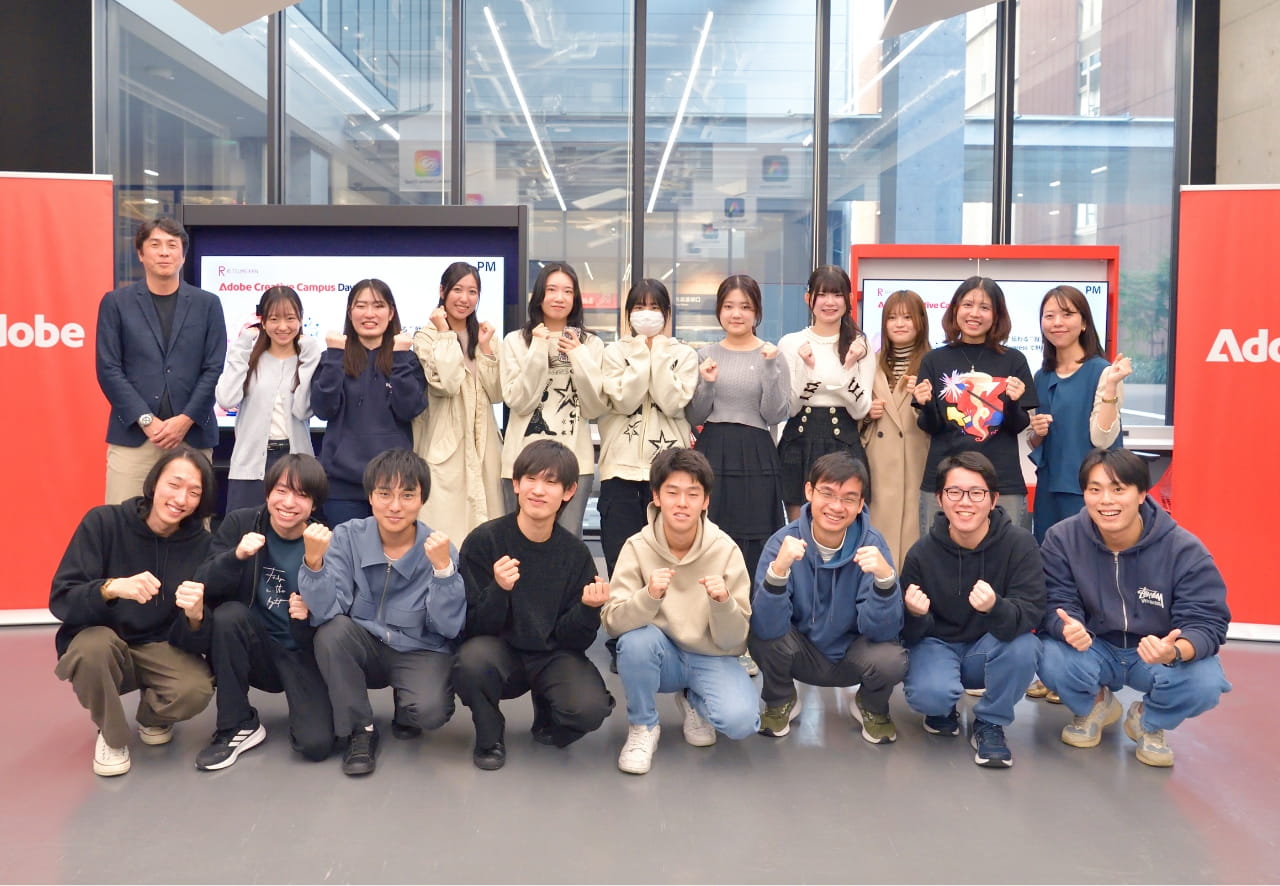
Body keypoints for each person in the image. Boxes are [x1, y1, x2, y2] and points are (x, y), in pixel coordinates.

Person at [1038, 448, 1232, 767]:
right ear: (1084, 494)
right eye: (1095, 489)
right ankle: (1096, 704)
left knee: (1206, 681)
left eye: (1118, 489)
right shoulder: (1062, 539)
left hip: (1155, 654)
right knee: (1046, 654)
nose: (1106, 500)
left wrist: (1176, 650)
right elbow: (1055, 600)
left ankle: (1147, 721)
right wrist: (1068, 627)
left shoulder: (1183, 549)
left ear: (1141, 494)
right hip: (1093, 647)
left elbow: (1207, 621)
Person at [49, 446, 217, 776]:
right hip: (102, 640)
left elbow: (199, 640)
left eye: (193, 492)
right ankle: (112, 736)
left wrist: (197, 615)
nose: (180, 499)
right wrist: (111, 587)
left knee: (194, 690)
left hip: (159, 645)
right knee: (91, 650)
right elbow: (62, 599)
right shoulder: (103, 522)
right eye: (174, 484)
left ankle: (152, 717)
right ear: (154, 483)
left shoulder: (203, 546)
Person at [298, 449, 465, 776]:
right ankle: (360, 730)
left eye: (408, 495)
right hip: (365, 644)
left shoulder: (439, 548)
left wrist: (443, 572)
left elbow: (448, 628)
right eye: (385, 494)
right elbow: (326, 611)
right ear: (370, 497)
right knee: (332, 634)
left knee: (430, 712)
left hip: (418, 649)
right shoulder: (347, 537)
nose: (395, 506)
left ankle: (406, 706)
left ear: (422, 499)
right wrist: (314, 564)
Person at [454, 440, 615, 770]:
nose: (538, 490)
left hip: (552, 654)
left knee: (590, 708)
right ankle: (489, 735)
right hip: (500, 652)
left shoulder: (575, 555)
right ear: (516, 484)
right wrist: (499, 590)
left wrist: (588, 609)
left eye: (551, 482)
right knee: (470, 661)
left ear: (569, 491)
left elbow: (576, 642)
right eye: (530, 479)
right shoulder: (485, 541)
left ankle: (547, 715)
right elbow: (470, 626)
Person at [602, 448, 758, 775]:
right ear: (656, 496)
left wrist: (723, 604)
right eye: (672, 492)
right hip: (662, 657)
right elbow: (613, 622)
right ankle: (643, 726)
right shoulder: (637, 547)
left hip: (711, 656)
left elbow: (736, 641)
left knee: (741, 722)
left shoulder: (725, 550)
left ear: (706, 501)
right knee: (634, 643)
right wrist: (649, 596)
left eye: (693, 494)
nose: (682, 503)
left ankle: (693, 699)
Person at [750, 452, 908, 742]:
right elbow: (766, 627)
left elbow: (884, 632)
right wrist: (779, 571)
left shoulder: (872, 546)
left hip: (853, 656)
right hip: (800, 653)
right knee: (760, 632)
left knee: (891, 658)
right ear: (809, 491)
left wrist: (885, 581)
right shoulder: (782, 543)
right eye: (827, 493)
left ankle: (871, 705)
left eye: (849, 498)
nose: (836, 506)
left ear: (860, 504)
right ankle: (780, 698)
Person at [900, 452, 1045, 768]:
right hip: (938, 645)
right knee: (931, 695)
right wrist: (914, 614)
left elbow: (1031, 612)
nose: (965, 502)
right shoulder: (921, 553)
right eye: (954, 492)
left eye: (976, 493)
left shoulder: (1020, 544)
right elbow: (905, 636)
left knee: (1026, 647)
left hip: (989, 649)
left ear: (993, 499)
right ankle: (941, 708)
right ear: (940, 498)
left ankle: (990, 722)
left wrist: (996, 607)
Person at [193, 454, 334, 770]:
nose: (288, 503)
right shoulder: (241, 523)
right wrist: (236, 556)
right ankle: (236, 724)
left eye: (301, 495)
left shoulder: (324, 540)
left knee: (316, 745)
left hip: (302, 653)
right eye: (281, 491)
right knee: (228, 615)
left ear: (314, 504)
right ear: (268, 492)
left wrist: (311, 611)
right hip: (257, 647)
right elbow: (203, 583)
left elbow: (340, 610)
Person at [598, 279, 698, 671]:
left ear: (667, 314)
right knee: (621, 556)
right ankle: (622, 637)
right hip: (620, 469)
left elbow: (673, 402)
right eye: (639, 307)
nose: (647, 314)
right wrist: (641, 353)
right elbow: (623, 400)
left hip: (668, 471)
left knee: (667, 556)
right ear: (628, 314)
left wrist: (657, 356)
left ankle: (667, 635)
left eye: (655, 307)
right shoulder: (614, 352)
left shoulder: (683, 354)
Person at [95, 217, 226, 504]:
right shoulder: (116, 303)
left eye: (172, 245)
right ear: (141, 253)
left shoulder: (207, 304)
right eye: (155, 245)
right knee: (123, 519)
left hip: (192, 436)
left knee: (191, 521)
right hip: (135, 436)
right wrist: (146, 419)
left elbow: (214, 368)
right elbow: (108, 368)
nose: (164, 252)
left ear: (183, 254)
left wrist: (185, 419)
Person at [686, 273, 791, 606]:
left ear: (756, 311)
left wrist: (770, 369)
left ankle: (751, 613)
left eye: (745, 307)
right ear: (719, 310)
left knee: (755, 536)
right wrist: (707, 384)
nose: (736, 314)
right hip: (713, 451)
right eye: (729, 306)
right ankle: (705, 610)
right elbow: (695, 415)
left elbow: (775, 414)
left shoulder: (772, 353)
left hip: (757, 453)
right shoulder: (705, 354)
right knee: (710, 533)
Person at [912, 276, 1037, 533]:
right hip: (944, 481)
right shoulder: (934, 360)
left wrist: (1013, 402)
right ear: (955, 309)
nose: (974, 313)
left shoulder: (1014, 360)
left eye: (984, 307)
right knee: (938, 552)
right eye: (968, 305)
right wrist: (926, 404)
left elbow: (1017, 426)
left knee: (1008, 553)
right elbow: (930, 427)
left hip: (1002, 482)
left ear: (997, 315)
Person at [499, 262, 607, 536]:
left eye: (567, 291)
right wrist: (538, 348)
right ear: (539, 295)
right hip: (521, 460)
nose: (560, 297)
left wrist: (578, 355)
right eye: (552, 289)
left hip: (575, 460)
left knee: (567, 543)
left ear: (576, 298)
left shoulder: (591, 344)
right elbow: (519, 402)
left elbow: (594, 406)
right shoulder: (515, 341)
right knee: (518, 540)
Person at [311, 279, 427, 526]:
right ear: (350, 312)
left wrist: (399, 358)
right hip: (342, 487)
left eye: (378, 306)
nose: (369, 314)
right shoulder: (332, 357)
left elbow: (409, 409)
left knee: (392, 551)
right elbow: (323, 409)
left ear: (391, 312)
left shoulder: (406, 359)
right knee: (347, 549)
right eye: (361, 306)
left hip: (394, 486)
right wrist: (335, 356)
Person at [1028, 284, 1132, 542]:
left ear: (1084, 322)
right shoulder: (1041, 376)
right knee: (1049, 557)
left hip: (1091, 490)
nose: (1057, 323)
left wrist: (1111, 385)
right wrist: (1037, 433)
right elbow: (1037, 442)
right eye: (1049, 316)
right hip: (1049, 490)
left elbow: (1102, 439)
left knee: (1089, 557)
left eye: (1067, 314)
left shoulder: (1104, 372)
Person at [411, 262, 504, 543]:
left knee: (487, 531)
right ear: (443, 291)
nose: (465, 298)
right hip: (445, 446)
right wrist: (445, 333)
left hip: (484, 446)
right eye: (458, 290)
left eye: (472, 292)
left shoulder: (485, 336)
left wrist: (485, 348)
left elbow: (497, 393)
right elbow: (448, 383)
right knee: (445, 531)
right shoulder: (426, 337)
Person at [776, 265, 875, 523]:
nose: (829, 302)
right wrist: (807, 373)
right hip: (799, 439)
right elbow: (790, 407)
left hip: (843, 440)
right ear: (808, 298)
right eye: (822, 294)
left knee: (842, 522)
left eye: (837, 294)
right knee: (799, 527)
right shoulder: (791, 343)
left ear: (848, 299)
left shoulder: (860, 344)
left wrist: (847, 369)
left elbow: (860, 409)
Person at [216, 285, 322, 514]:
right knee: (244, 529)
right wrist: (241, 346)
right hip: (250, 463)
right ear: (262, 322)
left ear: (300, 320)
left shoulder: (307, 357)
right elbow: (226, 399)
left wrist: (310, 357)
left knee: (293, 527)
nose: (283, 327)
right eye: (274, 319)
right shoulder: (250, 358)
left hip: (295, 460)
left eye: (290, 318)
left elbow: (303, 410)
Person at [860, 289, 931, 567]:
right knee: (878, 547)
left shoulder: (933, 363)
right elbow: (852, 412)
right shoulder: (869, 363)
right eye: (892, 317)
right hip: (878, 466)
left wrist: (923, 403)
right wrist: (867, 415)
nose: (899, 324)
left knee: (915, 544)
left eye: (907, 317)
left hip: (917, 463)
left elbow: (947, 419)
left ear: (920, 321)